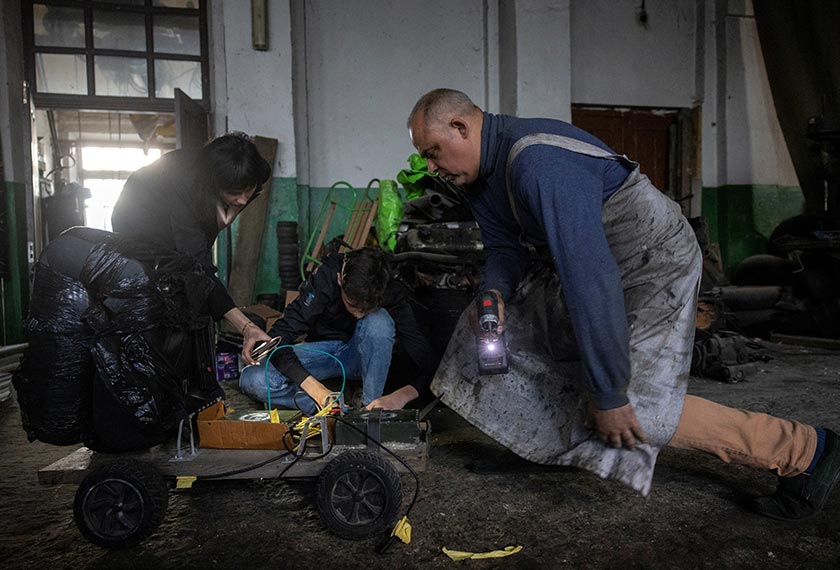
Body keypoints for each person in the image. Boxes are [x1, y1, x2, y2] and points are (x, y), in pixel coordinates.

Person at [406, 88, 840, 521]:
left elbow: (590, 279)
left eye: (433, 152)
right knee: (487, 328)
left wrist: (610, 394)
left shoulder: (538, 163)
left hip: (654, 259)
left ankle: (806, 451)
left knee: (640, 411)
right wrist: (496, 293)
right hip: (599, 262)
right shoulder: (484, 181)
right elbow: (504, 249)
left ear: (461, 128)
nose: (430, 167)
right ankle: (549, 443)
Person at [112, 132, 273, 364]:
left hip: (187, 203)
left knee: (197, 282)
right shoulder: (184, 186)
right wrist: (245, 326)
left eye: (247, 190)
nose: (242, 200)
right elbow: (197, 265)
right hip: (137, 220)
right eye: (234, 194)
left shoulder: (258, 171)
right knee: (177, 282)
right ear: (213, 186)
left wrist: (228, 210)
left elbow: (227, 212)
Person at [239, 247, 438, 415]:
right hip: (325, 352)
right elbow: (279, 338)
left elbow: (428, 362)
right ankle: (336, 409)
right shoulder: (326, 277)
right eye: (352, 304)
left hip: (362, 357)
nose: (359, 315)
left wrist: (400, 396)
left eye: (366, 308)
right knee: (253, 379)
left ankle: (370, 411)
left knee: (378, 321)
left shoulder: (388, 287)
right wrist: (316, 390)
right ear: (340, 280)